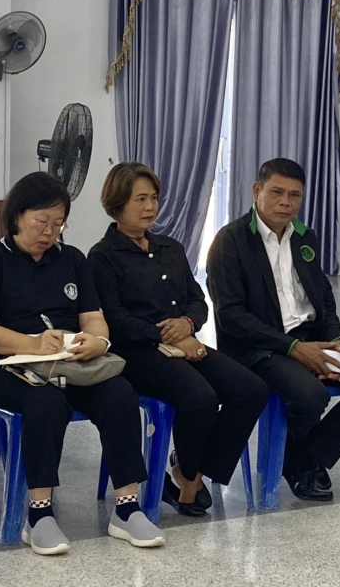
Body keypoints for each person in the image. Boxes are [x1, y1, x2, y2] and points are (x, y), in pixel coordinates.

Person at [0, 171, 165, 554]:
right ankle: (39, 514)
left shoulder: (71, 259)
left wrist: (97, 341)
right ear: (17, 216)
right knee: (46, 401)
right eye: (42, 222)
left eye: (58, 224)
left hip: (69, 366)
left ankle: (127, 507)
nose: (49, 232)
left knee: (119, 393)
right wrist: (32, 344)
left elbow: (93, 317)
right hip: (8, 370)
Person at [207, 158, 340, 501]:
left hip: (311, 339)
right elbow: (231, 316)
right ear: (257, 191)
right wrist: (294, 349)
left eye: (295, 195)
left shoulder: (304, 237)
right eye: (277, 192)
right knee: (309, 394)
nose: (286, 202)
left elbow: (323, 297)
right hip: (259, 349)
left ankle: (303, 457)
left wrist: (334, 341)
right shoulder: (231, 241)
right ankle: (303, 464)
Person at [88, 162, 268, 517]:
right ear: (117, 203)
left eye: (154, 198)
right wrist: (165, 334)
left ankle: (190, 473)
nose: (150, 207)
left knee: (251, 389)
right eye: (140, 199)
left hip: (182, 342)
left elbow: (198, 300)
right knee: (200, 398)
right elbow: (114, 319)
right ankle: (189, 476)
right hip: (137, 352)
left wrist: (187, 323)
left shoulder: (170, 247)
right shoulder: (103, 255)